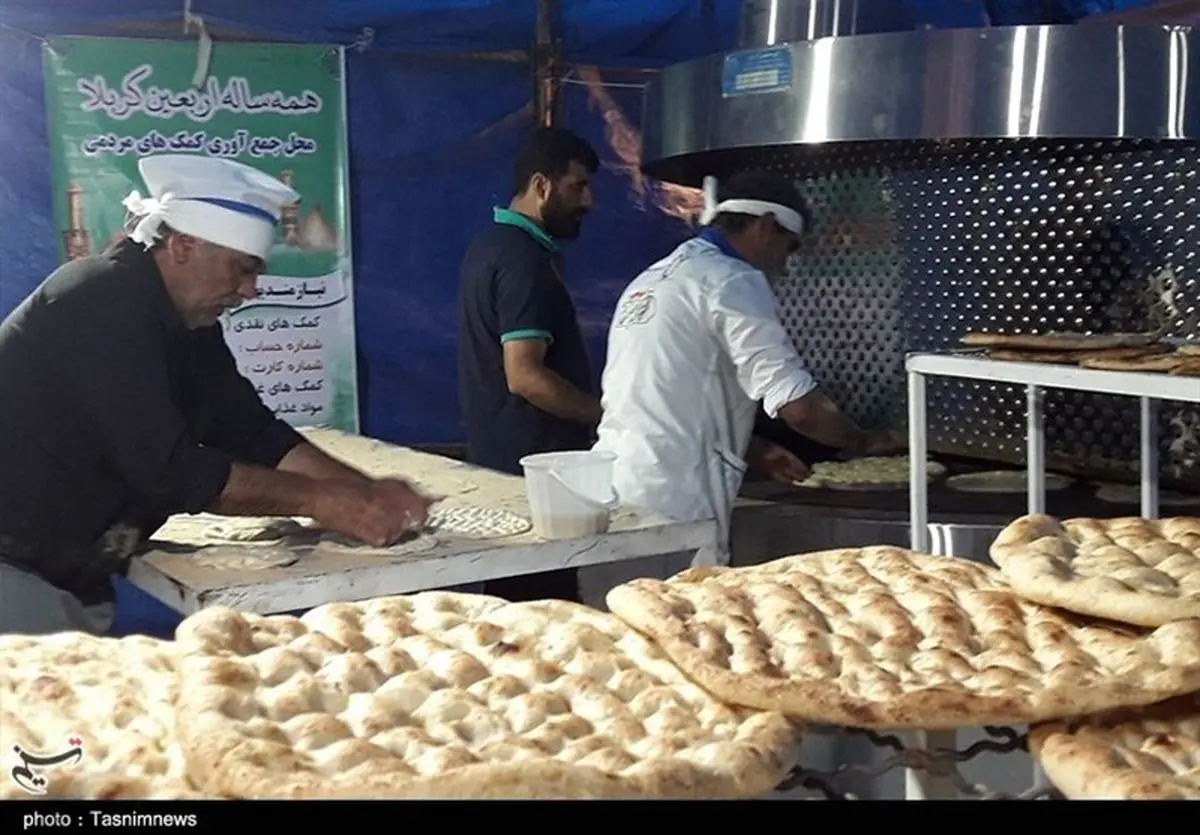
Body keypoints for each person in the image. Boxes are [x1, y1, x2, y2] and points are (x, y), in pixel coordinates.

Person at [0, 154, 431, 636]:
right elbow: (169, 473)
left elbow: (252, 430)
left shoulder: (190, 325)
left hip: (70, 575)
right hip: (13, 577)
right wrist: (321, 502)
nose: (250, 290)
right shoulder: (99, 300)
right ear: (184, 246)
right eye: (242, 269)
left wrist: (362, 492)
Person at [592, 169, 906, 572]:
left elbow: (666, 397)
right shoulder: (733, 280)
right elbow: (799, 408)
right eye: (789, 247)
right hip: (676, 506)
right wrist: (865, 443)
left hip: (619, 487)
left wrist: (754, 449)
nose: (786, 266)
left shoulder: (653, 278)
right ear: (765, 227)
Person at [456, 127, 602, 602]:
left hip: (504, 465)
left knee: (513, 609)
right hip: (536, 478)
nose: (589, 201)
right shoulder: (522, 261)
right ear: (542, 185)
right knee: (545, 615)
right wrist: (607, 416)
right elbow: (526, 376)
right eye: (577, 186)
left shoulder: (488, 246)